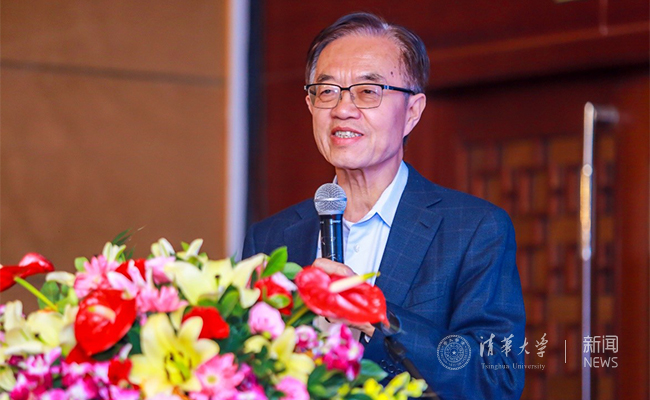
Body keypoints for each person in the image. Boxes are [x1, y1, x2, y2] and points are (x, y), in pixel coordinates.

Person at [242, 12, 525, 399]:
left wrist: (375, 317)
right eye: (327, 91)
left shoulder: (474, 229)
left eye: (367, 91)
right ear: (310, 105)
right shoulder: (271, 237)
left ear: (412, 111)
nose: (342, 109)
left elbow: (495, 378)